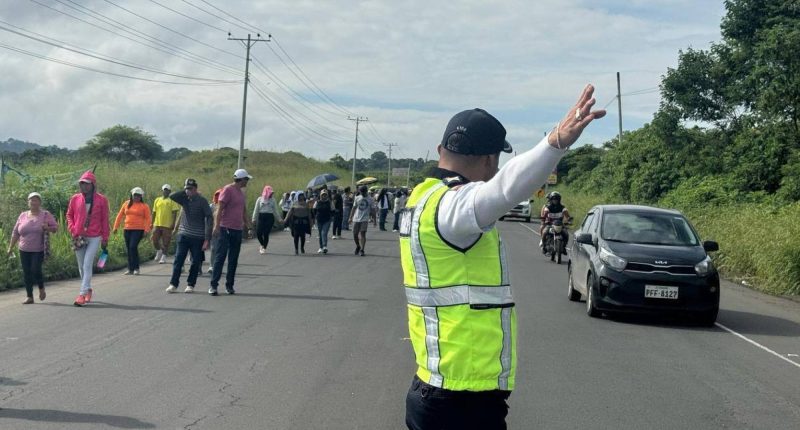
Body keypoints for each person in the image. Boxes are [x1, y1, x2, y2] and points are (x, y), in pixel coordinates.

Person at [401, 85, 605, 429]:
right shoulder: (454, 206)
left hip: (437, 387)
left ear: (440, 150)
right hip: (460, 400)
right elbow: (505, 190)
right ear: (490, 160)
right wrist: (555, 142)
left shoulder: (422, 199)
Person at [66, 171, 110, 307]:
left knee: (87, 264)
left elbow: (104, 219)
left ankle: (82, 294)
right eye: (81, 183)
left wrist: (105, 237)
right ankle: (88, 288)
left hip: (95, 236)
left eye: (86, 184)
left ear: (92, 185)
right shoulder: (75, 198)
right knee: (81, 266)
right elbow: (69, 215)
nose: (83, 186)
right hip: (78, 236)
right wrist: (72, 229)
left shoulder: (102, 200)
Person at [6, 192, 58, 304]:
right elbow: (15, 232)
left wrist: (47, 228)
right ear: (28, 202)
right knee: (26, 272)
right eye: (31, 200)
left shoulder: (45, 215)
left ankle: (41, 288)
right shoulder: (22, 215)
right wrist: (10, 247)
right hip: (23, 249)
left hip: (38, 249)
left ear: (40, 202)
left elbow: (55, 228)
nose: (33, 202)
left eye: (36, 200)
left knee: (35, 269)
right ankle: (29, 296)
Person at [210, 169, 253, 296]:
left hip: (237, 229)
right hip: (225, 228)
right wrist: (216, 226)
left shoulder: (241, 193)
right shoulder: (228, 190)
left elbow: (243, 212)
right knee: (220, 257)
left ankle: (229, 285)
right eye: (247, 179)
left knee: (233, 259)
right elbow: (219, 208)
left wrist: (249, 227)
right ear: (242, 179)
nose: (247, 182)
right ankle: (213, 285)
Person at [166, 178, 213, 293]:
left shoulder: (202, 201)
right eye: (186, 189)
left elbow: (209, 217)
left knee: (195, 261)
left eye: (190, 189)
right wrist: (184, 191)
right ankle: (173, 284)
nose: (188, 191)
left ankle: (190, 284)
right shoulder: (184, 199)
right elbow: (172, 196)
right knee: (178, 259)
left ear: (196, 189)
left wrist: (207, 238)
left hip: (198, 236)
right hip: (183, 234)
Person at [113, 187, 152, 275]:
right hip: (127, 229)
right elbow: (119, 215)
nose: (137, 197)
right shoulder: (126, 204)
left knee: (133, 247)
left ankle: (136, 268)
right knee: (129, 249)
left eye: (139, 195)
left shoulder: (144, 206)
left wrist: (146, 229)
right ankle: (130, 268)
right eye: (135, 195)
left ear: (141, 196)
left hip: (138, 229)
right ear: (132, 195)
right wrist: (115, 227)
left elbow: (148, 219)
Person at [151, 184, 181, 264]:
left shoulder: (172, 200)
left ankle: (164, 256)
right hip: (157, 223)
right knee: (154, 240)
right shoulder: (157, 200)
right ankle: (159, 250)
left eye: (167, 190)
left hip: (167, 224)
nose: (166, 191)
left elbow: (174, 213)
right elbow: (154, 212)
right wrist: (151, 222)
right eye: (164, 190)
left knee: (166, 241)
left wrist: (173, 223)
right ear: (162, 190)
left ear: (169, 191)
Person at [252, 185, 278, 255]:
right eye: (270, 193)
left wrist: (279, 219)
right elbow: (256, 209)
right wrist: (254, 218)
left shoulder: (273, 200)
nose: (271, 194)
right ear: (266, 192)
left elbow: (275, 210)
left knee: (266, 233)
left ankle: (264, 248)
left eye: (272, 193)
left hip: (270, 217)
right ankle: (262, 244)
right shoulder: (259, 199)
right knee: (258, 233)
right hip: (261, 217)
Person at [348, 185, 372, 256]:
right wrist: (350, 218)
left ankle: (362, 249)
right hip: (356, 218)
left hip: (365, 218)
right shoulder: (357, 198)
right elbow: (354, 208)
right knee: (355, 234)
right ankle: (358, 246)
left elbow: (373, 209)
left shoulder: (370, 199)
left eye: (363, 192)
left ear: (366, 191)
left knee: (362, 233)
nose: (362, 194)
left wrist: (374, 220)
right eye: (361, 192)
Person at [314, 190, 333, 254]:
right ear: (320, 195)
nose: (324, 196)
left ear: (327, 195)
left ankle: (324, 246)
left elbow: (333, 210)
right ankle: (320, 247)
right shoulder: (317, 202)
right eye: (322, 195)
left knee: (324, 233)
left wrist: (331, 217)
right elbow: (314, 210)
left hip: (327, 220)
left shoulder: (330, 202)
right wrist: (314, 218)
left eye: (325, 195)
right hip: (319, 220)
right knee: (320, 234)